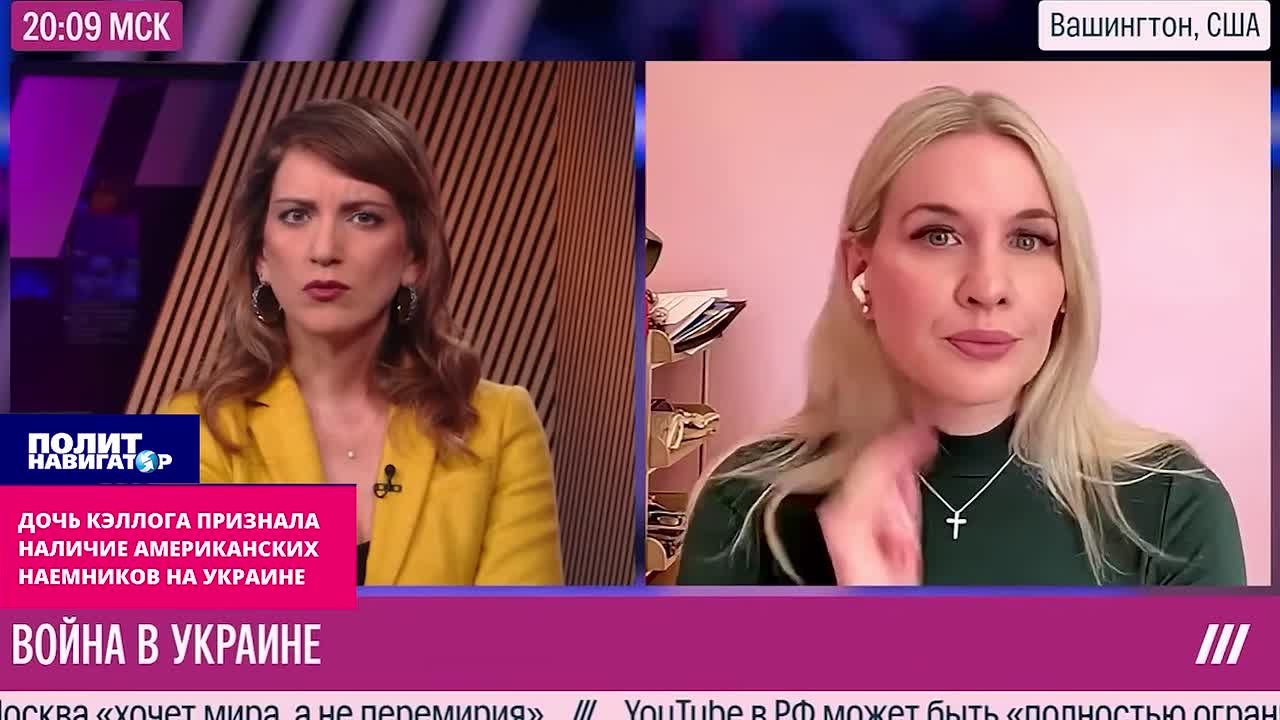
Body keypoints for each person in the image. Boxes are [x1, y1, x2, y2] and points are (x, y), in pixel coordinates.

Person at [677, 86, 1246, 586]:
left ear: (1067, 282)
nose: (988, 287)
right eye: (938, 235)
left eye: (1028, 240)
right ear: (861, 268)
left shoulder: (1173, 504)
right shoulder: (746, 505)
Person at [162, 97, 563, 586]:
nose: (325, 250)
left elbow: (521, 632)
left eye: (363, 217)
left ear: (413, 256)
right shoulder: (197, 427)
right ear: (261, 256)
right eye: (296, 215)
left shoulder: (498, 424)